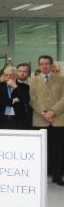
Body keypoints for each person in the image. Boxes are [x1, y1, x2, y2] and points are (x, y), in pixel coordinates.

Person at [29, 55, 64, 186]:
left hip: (58, 119)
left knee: (58, 149)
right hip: (40, 119)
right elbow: (32, 100)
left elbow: (63, 98)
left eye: (47, 64)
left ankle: (57, 176)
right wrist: (44, 113)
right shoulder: (33, 80)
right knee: (41, 150)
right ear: (39, 65)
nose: (44, 66)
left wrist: (52, 112)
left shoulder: (61, 80)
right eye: (42, 64)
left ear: (52, 65)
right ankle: (41, 175)